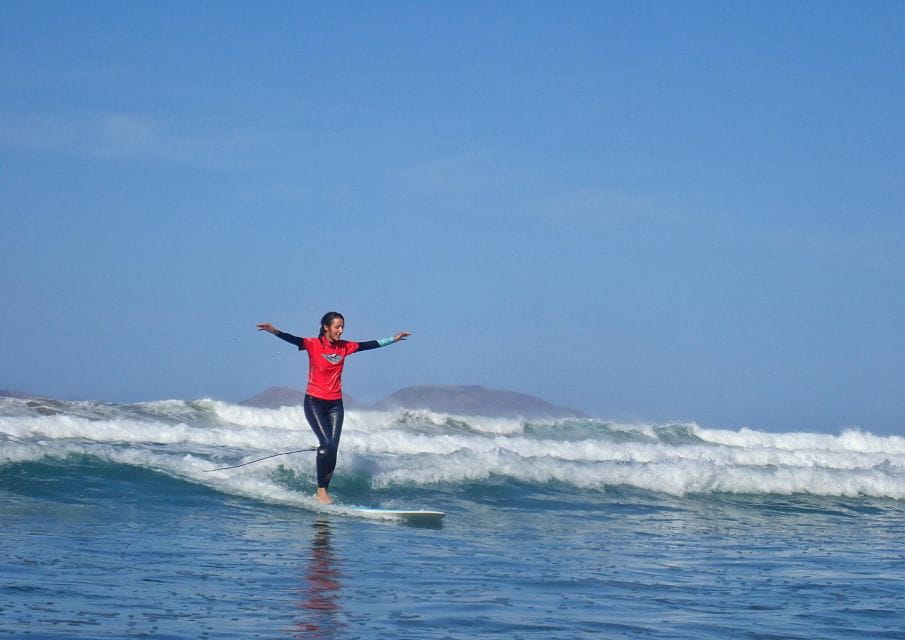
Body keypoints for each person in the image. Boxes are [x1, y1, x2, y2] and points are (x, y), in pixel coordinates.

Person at [256, 312, 410, 504]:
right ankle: (320, 492)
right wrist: (276, 332)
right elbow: (294, 339)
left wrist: (392, 339)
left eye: (343, 326)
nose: (341, 330)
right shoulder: (313, 344)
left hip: (336, 404)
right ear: (326, 327)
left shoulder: (344, 346)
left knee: (333, 448)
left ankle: (324, 491)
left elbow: (367, 345)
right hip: (314, 402)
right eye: (337, 327)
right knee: (326, 444)